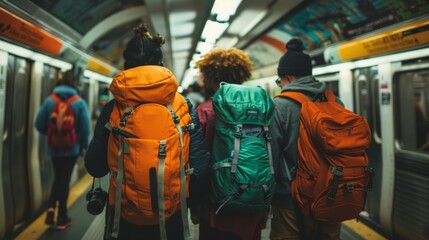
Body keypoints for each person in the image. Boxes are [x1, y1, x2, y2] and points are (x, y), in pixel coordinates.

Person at [84, 23, 210, 240]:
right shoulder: (183, 105)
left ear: (127, 63)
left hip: (122, 217)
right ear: (160, 62)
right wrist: (189, 201)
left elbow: (95, 166)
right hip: (172, 216)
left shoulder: (113, 108)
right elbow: (200, 164)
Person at [270, 38, 342, 240]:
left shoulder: (281, 106)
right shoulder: (335, 101)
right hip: (332, 193)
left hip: (291, 199)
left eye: (280, 81)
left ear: (287, 77)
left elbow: (273, 156)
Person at [194, 48, 268, 240]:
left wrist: (195, 201)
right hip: (255, 194)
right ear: (242, 75)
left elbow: (198, 161)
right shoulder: (260, 110)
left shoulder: (205, 111)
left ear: (210, 77)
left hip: (217, 203)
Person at [35, 72, 91, 230]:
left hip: (54, 149)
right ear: (74, 85)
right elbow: (85, 128)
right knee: (64, 180)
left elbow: (39, 124)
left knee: (58, 177)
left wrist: (54, 134)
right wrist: (84, 146)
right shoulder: (79, 102)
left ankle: (51, 206)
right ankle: (62, 217)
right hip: (71, 149)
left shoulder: (49, 101)